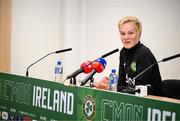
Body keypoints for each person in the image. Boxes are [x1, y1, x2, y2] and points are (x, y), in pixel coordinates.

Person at [117, 16, 165, 96]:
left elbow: (139, 90)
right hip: (133, 99)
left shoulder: (143, 53)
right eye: (122, 33)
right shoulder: (123, 52)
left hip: (154, 101)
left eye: (130, 33)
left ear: (139, 34)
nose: (126, 37)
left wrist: (124, 88)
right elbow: (120, 85)